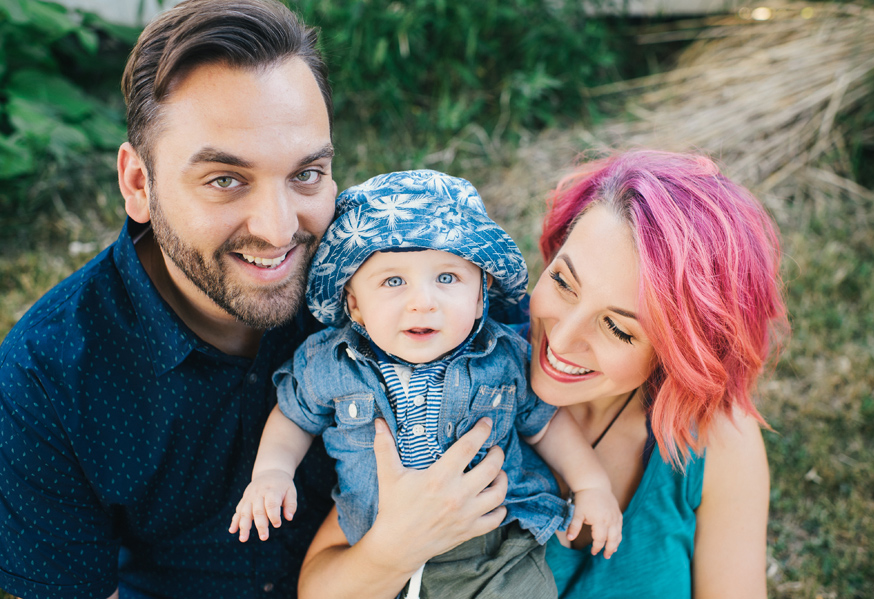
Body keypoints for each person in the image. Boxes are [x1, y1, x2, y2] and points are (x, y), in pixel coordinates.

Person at [0, 2, 505, 598]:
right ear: (139, 184)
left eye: (306, 173)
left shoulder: (392, 281)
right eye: (225, 180)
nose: (277, 228)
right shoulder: (46, 375)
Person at [295, 150, 787, 599]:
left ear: (680, 353)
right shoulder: (456, 371)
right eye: (563, 282)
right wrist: (392, 549)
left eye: (617, 327)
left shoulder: (717, 441)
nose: (561, 337)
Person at [230, 170, 623, 598]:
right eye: (393, 281)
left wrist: (590, 485)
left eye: (447, 278)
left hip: (494, 549)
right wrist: (271, 473)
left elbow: (545, 424)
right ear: (356, 304)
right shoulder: (332, 363)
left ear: (479, 299)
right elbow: (294, 416)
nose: (423, 301)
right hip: (378, 541)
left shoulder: (503, 358)